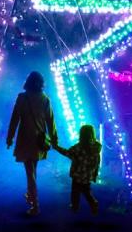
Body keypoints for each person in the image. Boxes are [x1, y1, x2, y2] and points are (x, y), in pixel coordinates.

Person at [6, 71, 58, 216]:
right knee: (32, 170)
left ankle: (34, 205)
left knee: (30, 173)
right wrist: (54, 140)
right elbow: (51, 121)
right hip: (39, 140)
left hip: (25, 139)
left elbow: (14, 119)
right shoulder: (45, 99)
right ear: (41, 83)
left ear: (27, 82)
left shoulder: (22, 98)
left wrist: (10, 138)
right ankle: (31, 196)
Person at [52, 124, 102, 215]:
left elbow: (67, 153)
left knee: (75, 191)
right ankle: (93, 203)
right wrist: (95, 174)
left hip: (78, 174)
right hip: (88, 174)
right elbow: (97, 162)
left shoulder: (78, 147)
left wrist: (56, 147)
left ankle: (75, 206)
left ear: (81, 135)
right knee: (86, 191)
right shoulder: (96, 147)